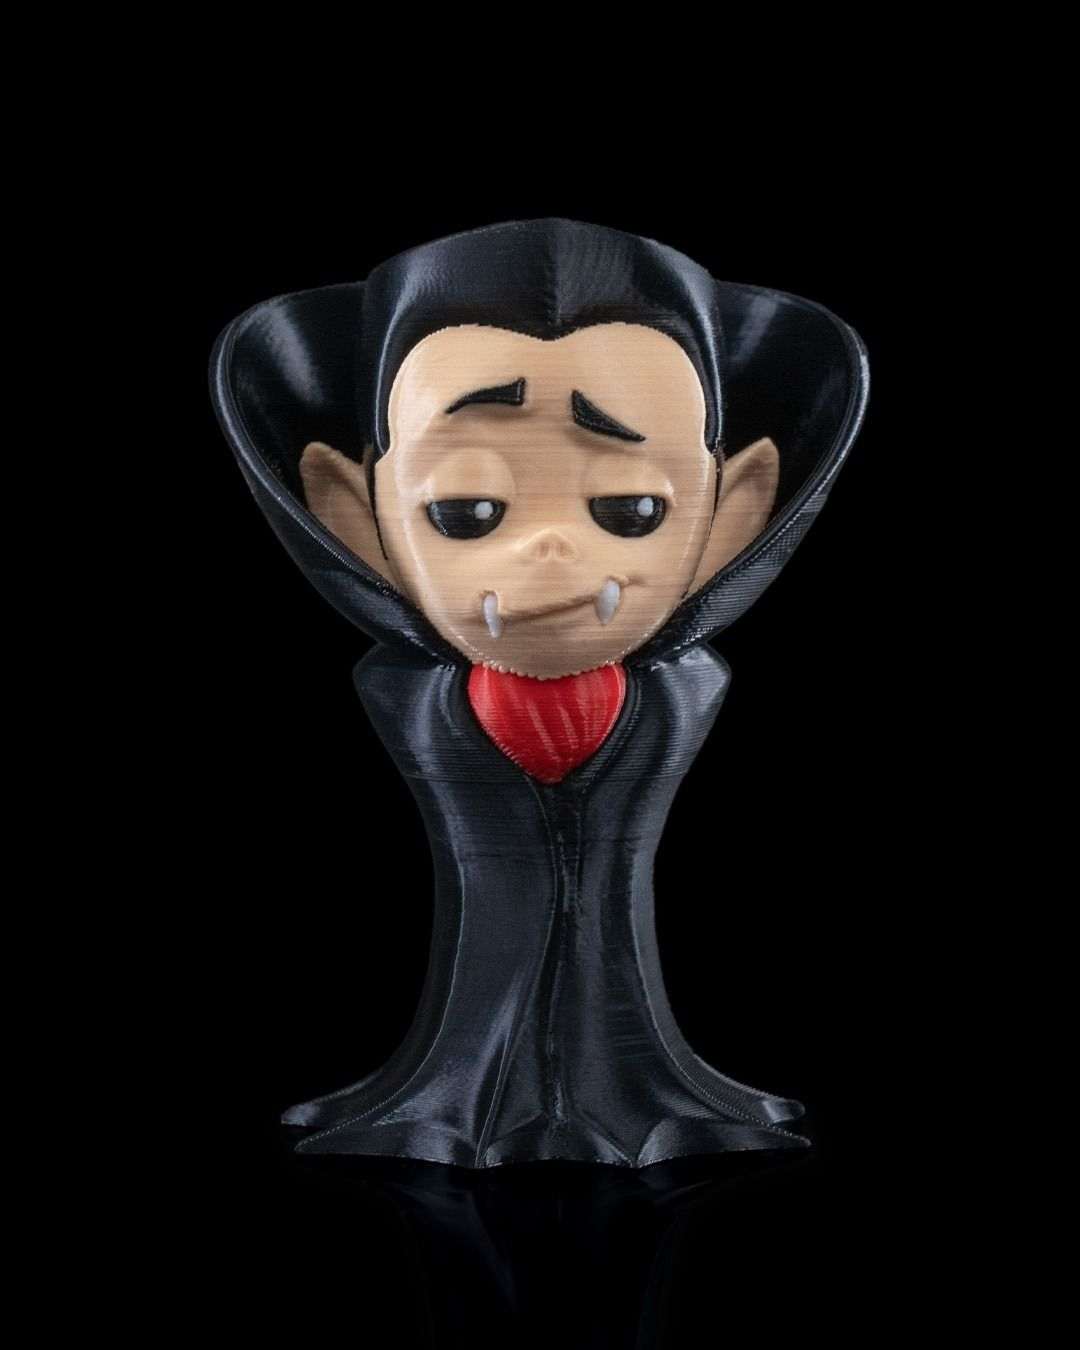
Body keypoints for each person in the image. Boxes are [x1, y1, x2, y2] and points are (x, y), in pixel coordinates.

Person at [209, 218, 869, 1167]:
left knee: (612, 920)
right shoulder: (411, 691)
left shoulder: (681, 685)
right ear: (355, 517)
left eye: (629, 509)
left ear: (731, 517)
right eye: (467, 510)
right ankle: (457, 1083)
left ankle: (635, 1082)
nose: (549, 548)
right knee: (490, 912)